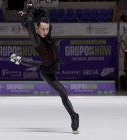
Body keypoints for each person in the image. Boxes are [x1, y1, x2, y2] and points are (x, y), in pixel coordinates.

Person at [10, 4, 79, 134]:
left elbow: (45, 11)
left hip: (52, 65)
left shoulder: (47, 35)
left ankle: (18, 59)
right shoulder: (36, 40)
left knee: (36, 63)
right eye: (43, 29)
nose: (45, 32)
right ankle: (74, 116)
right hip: (47, 72)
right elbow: (29, 23)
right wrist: (28, 12)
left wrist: (32, 7)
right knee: (63, 92)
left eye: (47, 29)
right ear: (37, 29)